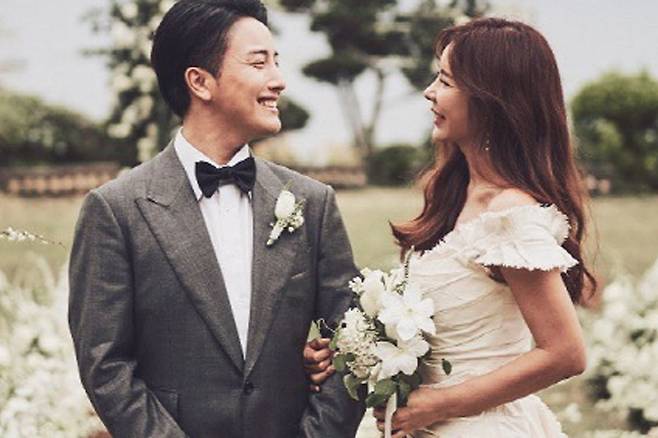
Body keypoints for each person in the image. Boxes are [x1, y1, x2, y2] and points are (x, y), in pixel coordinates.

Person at [68, 0, 364, 436]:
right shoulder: (117, 209)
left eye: (276, 62)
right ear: (200, 82)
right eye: (259, 63)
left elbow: (355, 342)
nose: (279, 80)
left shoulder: (312, 202)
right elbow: (105, 364)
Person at [304, 17, 596, 437]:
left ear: (491, 99)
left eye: (445, 81)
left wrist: (440, 404)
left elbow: (565, 353)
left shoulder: (509, 214)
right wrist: (348, 353)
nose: (429, 92)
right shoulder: (454, 194)